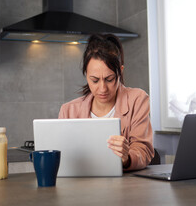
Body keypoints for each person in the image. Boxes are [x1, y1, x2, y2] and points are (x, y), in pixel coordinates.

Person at [58, 34, 154, 171]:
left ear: (120, 72)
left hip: (124, 187)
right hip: (81, 185)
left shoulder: (137, 99)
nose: (102, 89)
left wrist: (126, 158)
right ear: (86, 74)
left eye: (109, 79)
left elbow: (144, 150)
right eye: (95, 80)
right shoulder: (68, 110)